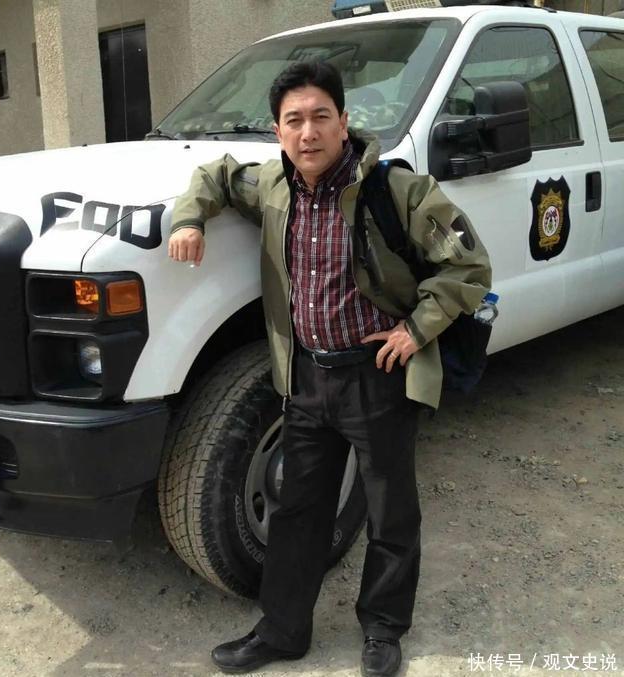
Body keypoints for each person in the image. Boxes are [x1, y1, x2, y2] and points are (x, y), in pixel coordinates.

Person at [169, 60, 491, 677]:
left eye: (321, 117)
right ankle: (282, 631)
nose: (308, 132)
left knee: (390, 511)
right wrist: (188, 219)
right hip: (306, 381)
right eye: (294, 121)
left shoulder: (397, 192)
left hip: (377, 376)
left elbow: (468, 268)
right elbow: (214, 174)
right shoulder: (273, 186)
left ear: (345, 122)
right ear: (277, 131)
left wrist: (414, 328)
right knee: (298, 512)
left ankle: (383, 629)